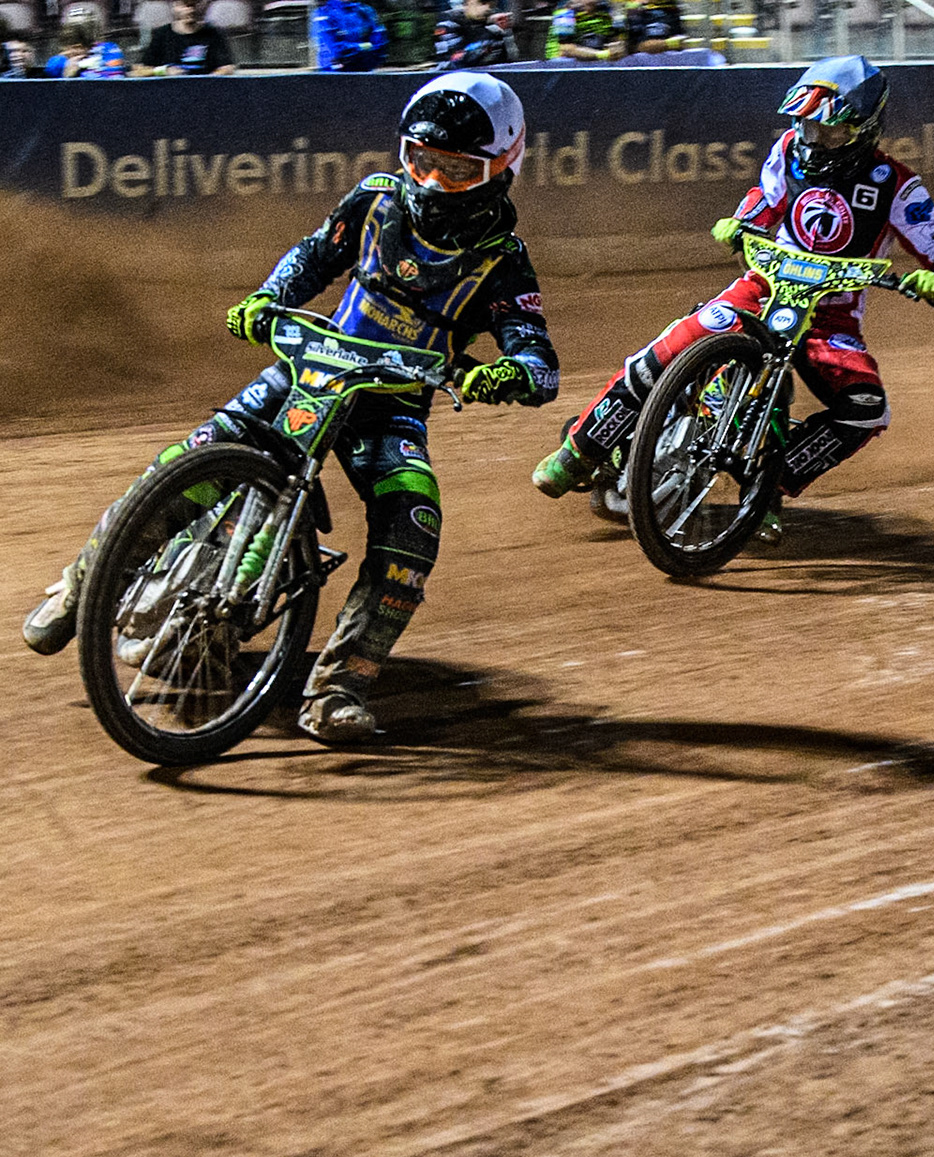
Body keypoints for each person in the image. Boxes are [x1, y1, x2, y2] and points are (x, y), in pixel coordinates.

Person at [23, 72, 558, 745]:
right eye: (419, 160)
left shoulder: (503, 262)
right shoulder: (375, 200)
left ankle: (340, 684)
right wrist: (267, 297)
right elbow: (314, 255)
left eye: (454, 169)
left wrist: (505, 375)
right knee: (191, 459)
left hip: (388, 411)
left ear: (501, 169)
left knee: (414, 524)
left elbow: (540, 362)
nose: (429, 180)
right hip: (307, 370)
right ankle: (82, 586)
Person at [530, 55, 934, 544]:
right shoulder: (787, 150)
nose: (814, 141)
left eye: (829, 133)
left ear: (865, 130)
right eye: (806, 128)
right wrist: (740, 222)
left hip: (831, 319)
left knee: (866, 408)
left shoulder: (895, 185)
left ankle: (770, 485)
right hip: (762, 288)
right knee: (668, 348)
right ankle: (577, 453)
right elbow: (763, 202)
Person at [138, 0, 236, 74]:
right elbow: (139, 70)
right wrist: (164, 71)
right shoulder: (162, 34)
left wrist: (209, 80)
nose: (190, 10)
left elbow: (227, 67)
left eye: (194, 5)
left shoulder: (213, 33)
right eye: (184, 5)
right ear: (174, 7)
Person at [434, 0, 516, 66]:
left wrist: (506, 34)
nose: (487, 8)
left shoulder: (493, 20)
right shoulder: (449, 23)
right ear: (467, 3)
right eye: (482, 3)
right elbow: (455, 60)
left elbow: (510, 59)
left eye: (491, 4)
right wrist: (490, 32)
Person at [311, 0, 386, 70]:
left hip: (365, 70)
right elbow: (335, 51)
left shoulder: (365, 11)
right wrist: (366, 47)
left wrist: (354, 49)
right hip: (334, 72)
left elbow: (380, 45)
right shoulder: (324, 13)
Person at [45, 17, 126, 76]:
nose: (72, 52)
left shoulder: (109, 50)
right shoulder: (57, 62)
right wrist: (67, 75)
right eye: (67, 48)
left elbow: (116, 77)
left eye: (77, 48)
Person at [544, 0, 619, 59]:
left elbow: (615, 41)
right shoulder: (565, 13)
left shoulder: (606, 12)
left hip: (596, 58)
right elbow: (565, 49)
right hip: (561, 62)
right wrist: (602, 54)